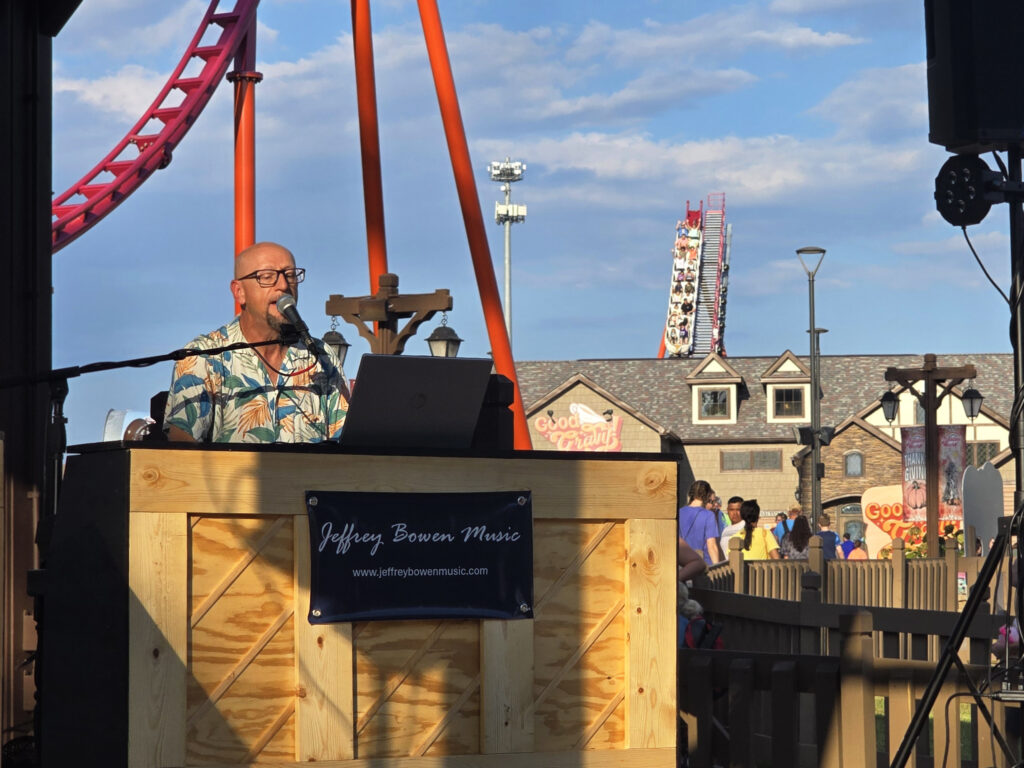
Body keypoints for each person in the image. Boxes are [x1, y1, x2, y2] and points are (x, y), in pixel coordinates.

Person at [164, 241, 348, 443]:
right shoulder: (203, 356)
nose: (284, 285)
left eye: (290, 275)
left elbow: (347, 443)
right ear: (239, 292)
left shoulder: (321, 355)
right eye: (267, 277)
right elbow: (182, 449)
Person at [679, 480, 724, 566]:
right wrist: (716, 567)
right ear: (707, 496)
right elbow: (711, 545)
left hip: (682, 562)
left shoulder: (679, 513)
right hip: (703, 563)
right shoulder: (708, 515)